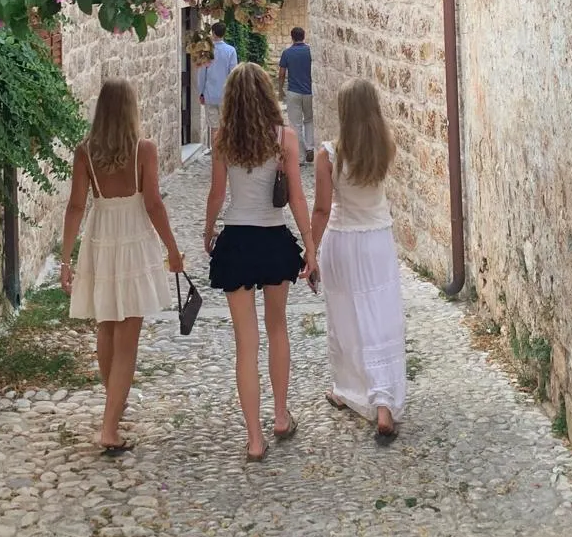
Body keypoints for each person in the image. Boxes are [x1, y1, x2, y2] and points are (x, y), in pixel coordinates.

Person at [60, 80, 185, 456]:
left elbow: (75, 206)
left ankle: (114, 400)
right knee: (128, 339)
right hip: (133, 241)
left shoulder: (84, 152)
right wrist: (173, 250)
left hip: (101, 239)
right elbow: (153, 204)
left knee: (107, 326)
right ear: (131, 110)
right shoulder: (144, 150)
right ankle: (110, 428)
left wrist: (66, 259)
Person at [204, 62, 318, 461]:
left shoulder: (222, 139)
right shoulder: (284, 138)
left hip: (236, 241)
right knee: (278, 328)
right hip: (272, 239)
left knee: (245, 344)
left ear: (232, 98)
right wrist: (310, 247)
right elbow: (297, 197)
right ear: (268, 95)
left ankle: (254, 439)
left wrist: (208, 230)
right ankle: (281, 416)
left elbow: (217, 193)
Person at [312, 78, 406, 444]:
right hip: (377, 241)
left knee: (347, 319)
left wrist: (310, 250)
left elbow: (322, 209)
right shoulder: (386, 147)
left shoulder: (329, 155)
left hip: (343, 241)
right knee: (380, 318)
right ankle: (383, 404)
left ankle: (348, 390)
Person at [278, 26, 315, 164]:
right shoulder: (310, 51)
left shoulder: (287, 53)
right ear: (304, 36)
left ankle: (300, 156)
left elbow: (282, 74)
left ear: (292, 37)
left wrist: (280, 89)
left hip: (293, 91)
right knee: (309, 120)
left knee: (295, 124)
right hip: (309, 91)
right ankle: (310, 147)